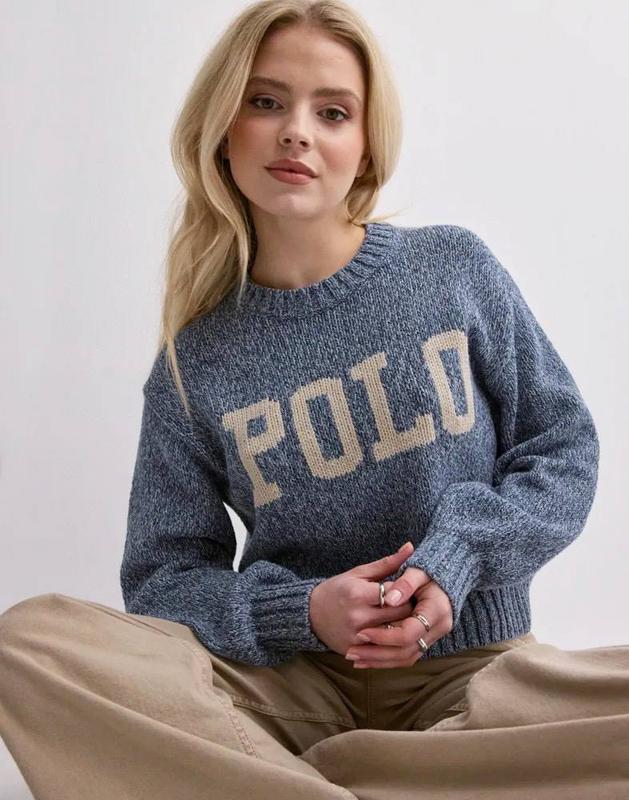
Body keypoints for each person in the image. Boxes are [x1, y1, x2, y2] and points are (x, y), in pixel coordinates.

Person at [1, 1, 628, 798]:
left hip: (473, 679)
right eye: (266, 102)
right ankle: (378, 779)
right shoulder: (194, 363)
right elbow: (164, 579)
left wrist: (456, 561)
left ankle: (320, 779)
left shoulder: (451, 270)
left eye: (332, 112)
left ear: (364, 147)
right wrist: (303, 612)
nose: (296, 132)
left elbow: (561, 447)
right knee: (30, 644)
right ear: (222, 131)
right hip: (289, 695)